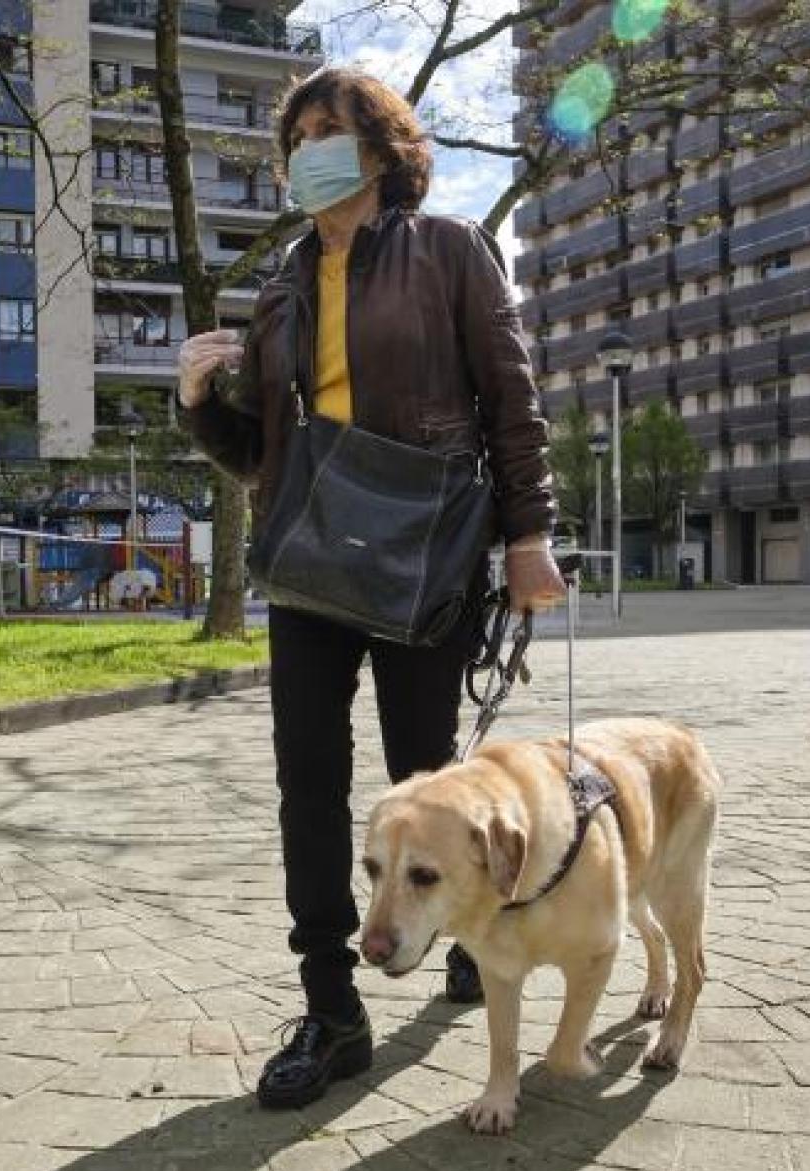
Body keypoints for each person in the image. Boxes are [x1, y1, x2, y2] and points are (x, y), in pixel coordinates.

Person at [174, 66, 566, 1110]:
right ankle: (332, 1010)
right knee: (308, 782)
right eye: (295, 132)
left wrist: (530, 535)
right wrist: (198, 400)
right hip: (309, 559)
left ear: (382, 144)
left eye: (328, 127)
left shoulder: (448, 251)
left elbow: (510, 402)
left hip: (425, 549)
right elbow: (262, 453)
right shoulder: (285, 282)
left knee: (427, 778)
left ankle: (467, 934)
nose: (309, 145)